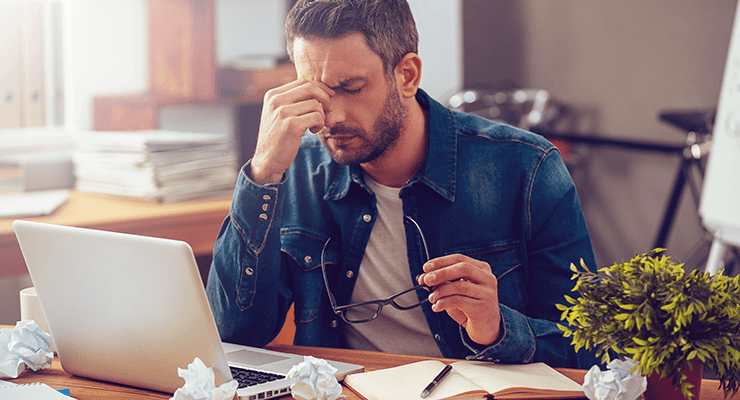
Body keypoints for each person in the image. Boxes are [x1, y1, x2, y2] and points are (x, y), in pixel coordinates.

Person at [206, 0, 597, 368]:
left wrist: (496, 328)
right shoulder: (295, 169)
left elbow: (589, 350)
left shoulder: (528, 168)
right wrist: (262, 175)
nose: (332, 116)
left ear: (407, 75)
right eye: (318, 91)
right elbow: (234, 337)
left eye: (352, 87)